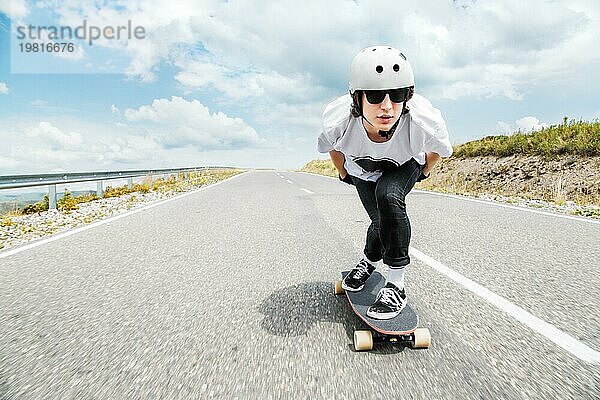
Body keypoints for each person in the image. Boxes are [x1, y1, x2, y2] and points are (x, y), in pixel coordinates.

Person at [317, 45, 453, 320]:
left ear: (408, 96)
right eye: (376, 96)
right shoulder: (339, 121)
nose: (388, 107)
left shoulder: (423, 120)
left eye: (398, 95)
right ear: (358, 99)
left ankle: (396, 285)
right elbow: (332, 147)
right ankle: (368, 262)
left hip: (405, 164)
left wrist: (423, 170)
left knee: (389, 196)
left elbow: (440, 149)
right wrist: (343, 173)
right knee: (380, 221)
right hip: (361, 170)